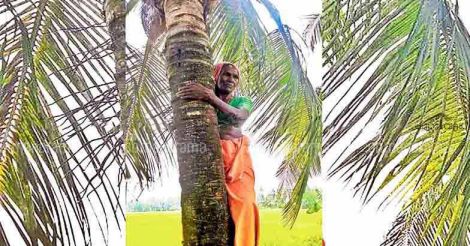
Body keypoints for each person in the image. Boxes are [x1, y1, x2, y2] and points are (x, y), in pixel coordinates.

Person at [176, 62, 260, 246]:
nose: (230, 79)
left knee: (246, 203)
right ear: (216, 75)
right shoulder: (201, 102)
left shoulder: (242, 101)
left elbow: (241, 115)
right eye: (226, 74)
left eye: (235, 76)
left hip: (237, 159)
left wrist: (209, 96)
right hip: (210, 157)